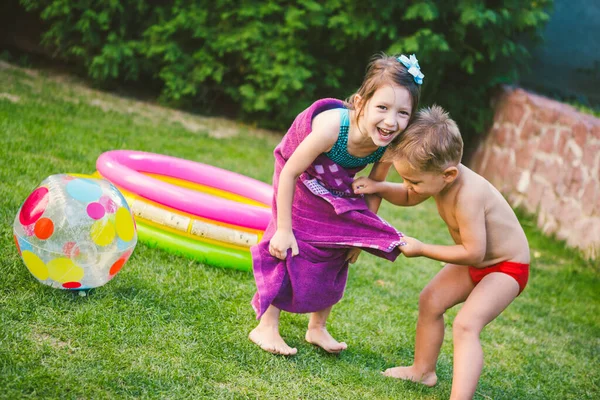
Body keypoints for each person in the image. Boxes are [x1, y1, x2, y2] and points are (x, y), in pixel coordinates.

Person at [249, 54, 425, 356]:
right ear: (359, 103)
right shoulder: (332, 129)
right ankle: (266, 325)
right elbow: (290, 171)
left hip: (335, 182)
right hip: (297, 173)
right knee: (290, 244)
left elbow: (373, 189)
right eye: (382, 108)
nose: (391, 121)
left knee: (338, 249)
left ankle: (317, 327)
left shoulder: (387, 147)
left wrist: (359, 237)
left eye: (403, 113)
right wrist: (283, 229)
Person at [352, 105, 530, 399]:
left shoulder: (468, 195)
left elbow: (474, 252)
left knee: (466, 325)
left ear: (448, 174)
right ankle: (423, 371)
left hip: (506, 267)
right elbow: (410, 196)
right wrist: (379, 186)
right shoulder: (437, 177)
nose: (410, 186)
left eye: (415, 181)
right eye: (407, 178)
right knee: (431, 300)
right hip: (480, 259)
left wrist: (422, 249)